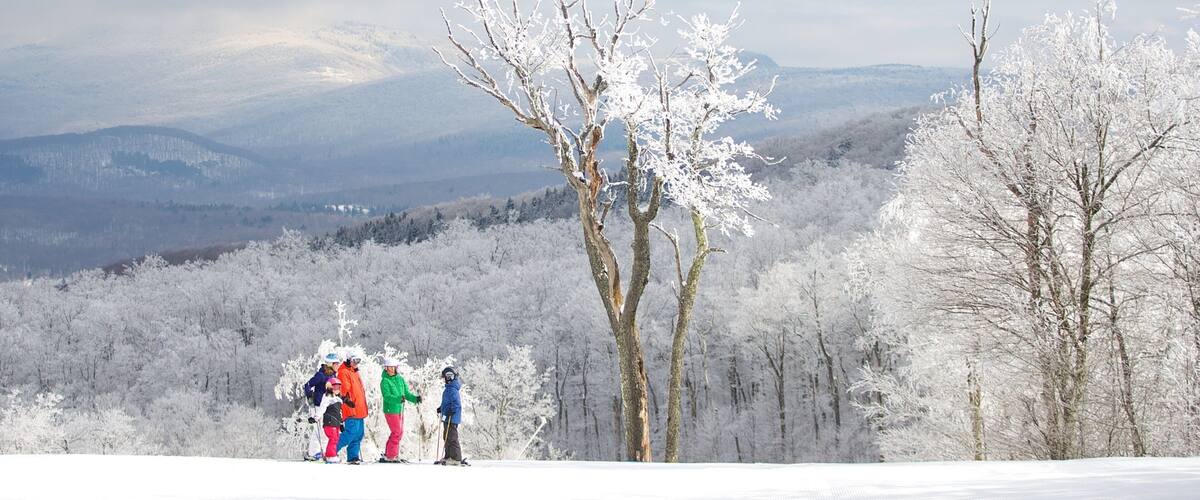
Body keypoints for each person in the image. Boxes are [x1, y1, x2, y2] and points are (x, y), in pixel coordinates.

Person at [380, 357, 422, 463]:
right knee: (396, 432)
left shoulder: (400, 379)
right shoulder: (385, 381)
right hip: (390, 410)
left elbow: (406, 394)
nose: (391, 369)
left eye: (393, 367)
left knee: (399, 432)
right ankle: (391, 455)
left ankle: (390, 453)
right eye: (389, 367)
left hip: (400, 409)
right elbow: (387, 396)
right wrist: (398, 399)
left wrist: (415, 399)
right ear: (386, 368)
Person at [301, 352, 340, 461]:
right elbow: (307, 385)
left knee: (325, 430)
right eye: (336, 363)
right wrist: (309, 395)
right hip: (318, 405)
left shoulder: (333, 375)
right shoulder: (321, 375)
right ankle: (313, 453)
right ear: (330, 364)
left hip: (328, 406)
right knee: (318, 430)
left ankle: (321, 452)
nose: (338, 365)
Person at [336, 352, 368, 464]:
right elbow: (343, 390)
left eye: (358, 361)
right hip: (351, 408)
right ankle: (331, 451)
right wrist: (346, 401)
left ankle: (353, 457)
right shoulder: (343, 372)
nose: (356, 363)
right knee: (351, 432)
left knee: (359, 434)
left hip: (360, 409)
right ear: (349, 360)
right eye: (354, 360)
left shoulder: (355, 372)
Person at [435, 366, 466, 466]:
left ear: (451, 377)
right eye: (444, 377)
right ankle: (448, 456)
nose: (445, 379)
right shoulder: (449, 389)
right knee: (446, 436)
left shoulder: (453, 389)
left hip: (452, 418)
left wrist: (451, 410)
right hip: (446, 416)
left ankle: (456, 458)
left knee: (452, 437)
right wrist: (441, 408)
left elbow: (456, 403)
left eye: (446, 377)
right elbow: (447, 402)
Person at [317, 377, 346, 464]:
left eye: (338, 387)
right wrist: (316, 417)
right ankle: (330, 456)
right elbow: (322, 408)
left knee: (336, 439)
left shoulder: (338, 400)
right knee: (333, 438)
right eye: (335, 387)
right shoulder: (327, 398)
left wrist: (341, 423)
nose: (337, 389)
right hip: (329, 423)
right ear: (329, 387)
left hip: (336, 423)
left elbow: (339, 413)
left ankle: (331, 454)